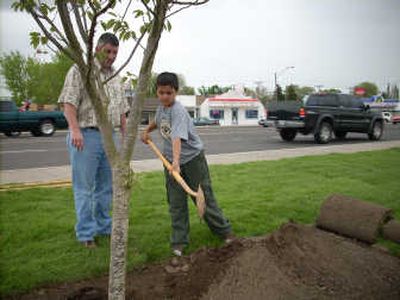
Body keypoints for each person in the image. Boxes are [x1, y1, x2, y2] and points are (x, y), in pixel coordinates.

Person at [141, 72, 234, 257]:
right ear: (157, 92)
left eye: (169, 92)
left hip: (192, 160)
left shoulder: (179, 111)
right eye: (161, 92)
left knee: (204, 198)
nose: (165, 96)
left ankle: (225, 232)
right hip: (171, 162)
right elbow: (158, 122)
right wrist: (146, 130)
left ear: (176, 92)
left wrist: (176, 162)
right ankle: (179, 241)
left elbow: (177, 138)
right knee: (176, 203)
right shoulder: (161, 109)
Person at [58, 33, 129, 248]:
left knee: (106, 187)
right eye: (107, 51)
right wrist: (75, 130)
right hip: (86, 136)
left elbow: (122, 110)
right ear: (97, 49)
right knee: (84, 188)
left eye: (115, 52)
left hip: (111, 137)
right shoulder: (81, 70)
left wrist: (126, 136)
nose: (111, 56)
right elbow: (68, 103)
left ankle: (104, 227)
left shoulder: (116, 76)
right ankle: (86, 234)